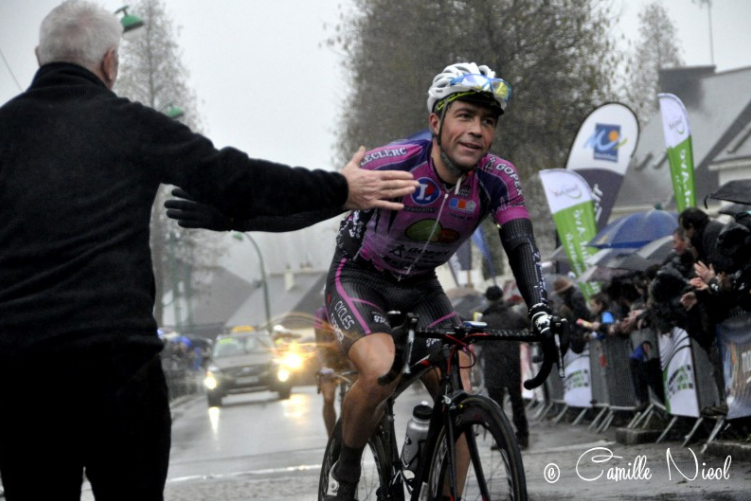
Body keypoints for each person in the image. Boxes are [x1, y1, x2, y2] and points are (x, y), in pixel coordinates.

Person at [0, 2, 419, 500]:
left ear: (37, 56)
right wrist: (339, 188)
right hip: (116, 365)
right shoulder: (130, 124)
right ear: (111, 62)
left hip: (20, 372)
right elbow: (236, 180)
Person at [166, 61, 555, 501]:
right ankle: (345, 469)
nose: (477, 131)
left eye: (487, 121)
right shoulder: (395, 166)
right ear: (435, 121)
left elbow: (521, 243)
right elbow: (309, 209)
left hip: (420, 286)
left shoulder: (497, 178)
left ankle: (448, 493)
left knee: (461, 379)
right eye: (464, 115)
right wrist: (235, 218)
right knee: (382, 367)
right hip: (358, 277)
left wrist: (541, 309)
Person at [480, 285, 530, 449]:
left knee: (496, 406)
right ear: (502, 296)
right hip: (512, 364)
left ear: (488, 299)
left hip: (493, 366)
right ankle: (522, 437)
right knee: (517, 403)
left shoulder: (485, 320)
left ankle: (500, 439)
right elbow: (528, 327)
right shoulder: (513, 315)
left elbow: (478, 340)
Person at [314, 305, 355, 437]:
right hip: (329, 358)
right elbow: (319, 344)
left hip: (349, 356)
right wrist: (324, 366)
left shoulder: (351, 309)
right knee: (328, 398)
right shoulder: (322, 312)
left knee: (359, 393)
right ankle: (331, 438)